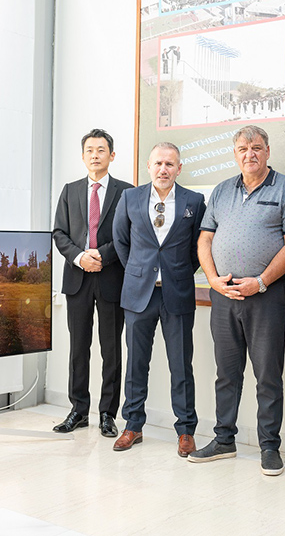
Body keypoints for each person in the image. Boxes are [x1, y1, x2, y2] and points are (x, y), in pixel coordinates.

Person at [189, 125, 285, 476]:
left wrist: (262, 282)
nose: (249, 154)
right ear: (235, 154)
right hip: (224, 296)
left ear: (267, 151)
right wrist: (212, 280)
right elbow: (205, 240)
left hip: (266, 296)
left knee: (268, 375)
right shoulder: (222, 190)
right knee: (226, 374)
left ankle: (270, 447)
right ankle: (224, 439)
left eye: (256, 147)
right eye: (242, 148)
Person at [111, 142, 206, 457]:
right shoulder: (130, 198)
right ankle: (132, 425)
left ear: (179, 168)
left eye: (169, 164)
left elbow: (198, 248)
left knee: (181, 365)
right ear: (149, 166)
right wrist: (140, 272)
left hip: (177, 293)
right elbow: (121, 241)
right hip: (139, 294)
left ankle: (186, 430)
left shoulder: (194, 201)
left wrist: (177, 272)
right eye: (158, 163)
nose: (163, 169)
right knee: (136, 364)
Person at [52, 129, 133, 437]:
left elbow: (130, 234)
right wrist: (79, 257)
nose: (95, 155)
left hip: (111, 278)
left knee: (111, 350)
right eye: (90, 150)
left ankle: (108, 414)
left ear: (112, 155)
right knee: (78, 348)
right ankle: (78, 410)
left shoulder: (126, 192)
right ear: (83, 155)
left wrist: (102, 255)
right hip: (78, 279)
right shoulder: (70, 190)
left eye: (101, 150)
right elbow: (59, 233)